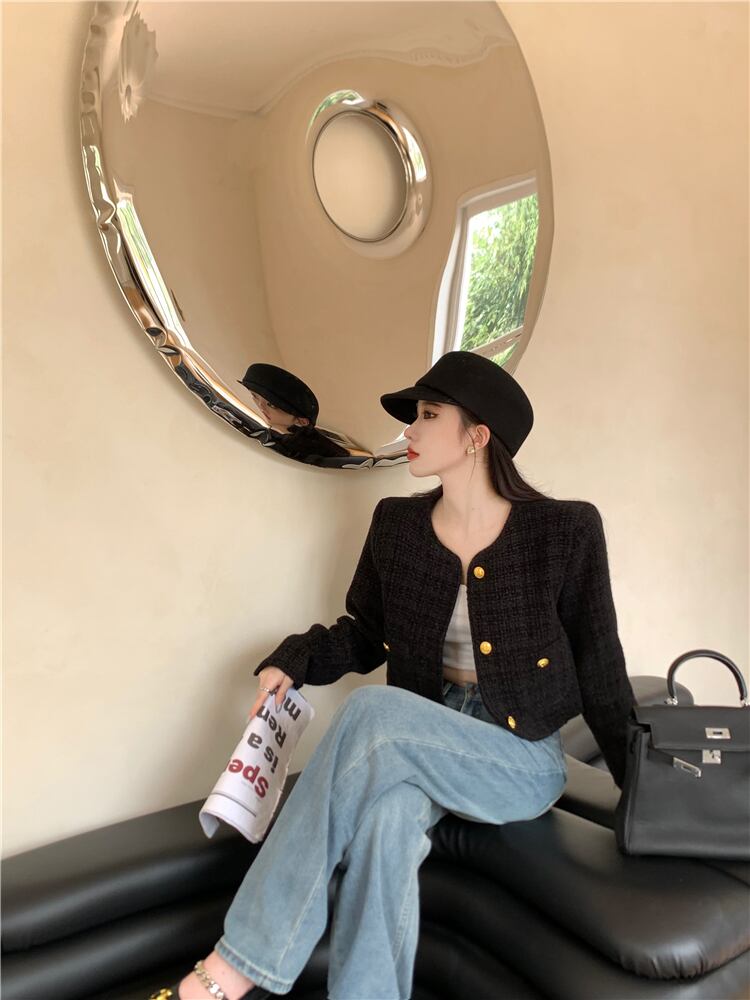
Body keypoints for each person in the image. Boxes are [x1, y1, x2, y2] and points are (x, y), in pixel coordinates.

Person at [153, 351, 636, 1000]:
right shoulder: (398, 526)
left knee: (372, 713)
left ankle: (232, 969)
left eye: (429, 415)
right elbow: (365, 632)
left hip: (518, 757)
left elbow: (600, 663)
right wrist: (293, 661)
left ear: (477, 436)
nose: (410, 429)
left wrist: (641, 791)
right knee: (386, 825)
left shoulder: (564, 531)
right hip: (420, 739)